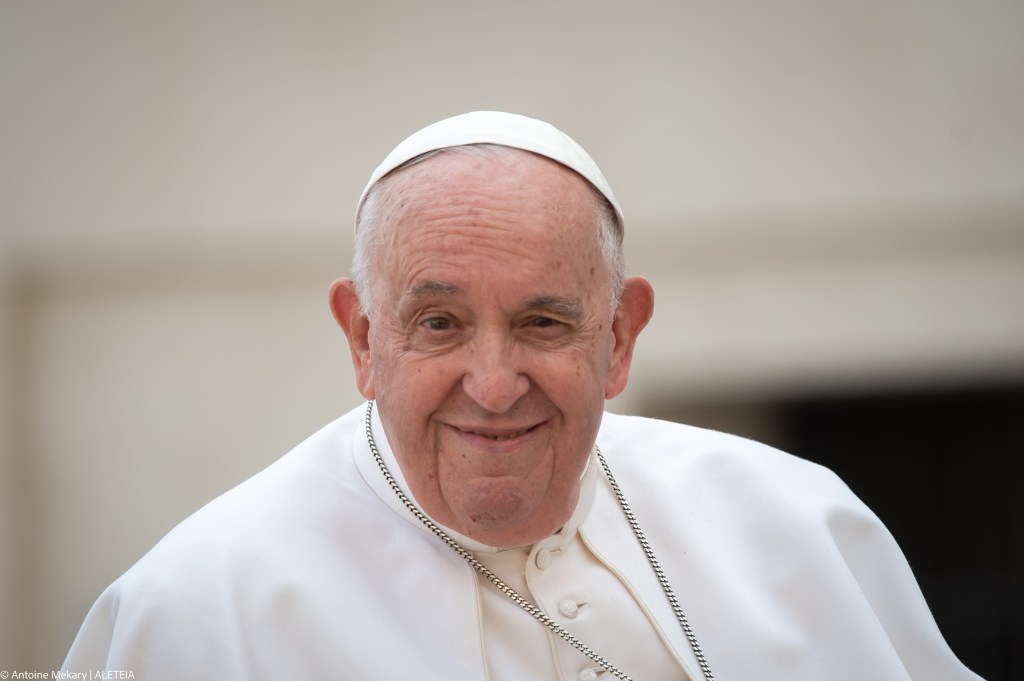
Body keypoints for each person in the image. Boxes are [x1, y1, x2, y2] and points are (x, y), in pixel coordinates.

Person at [63, 111, 982, 680]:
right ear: (362, 338)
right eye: (439, 323)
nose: (494, 386)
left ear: (619, 337)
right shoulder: (190, 608)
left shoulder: (798, 524)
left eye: (544, 323)